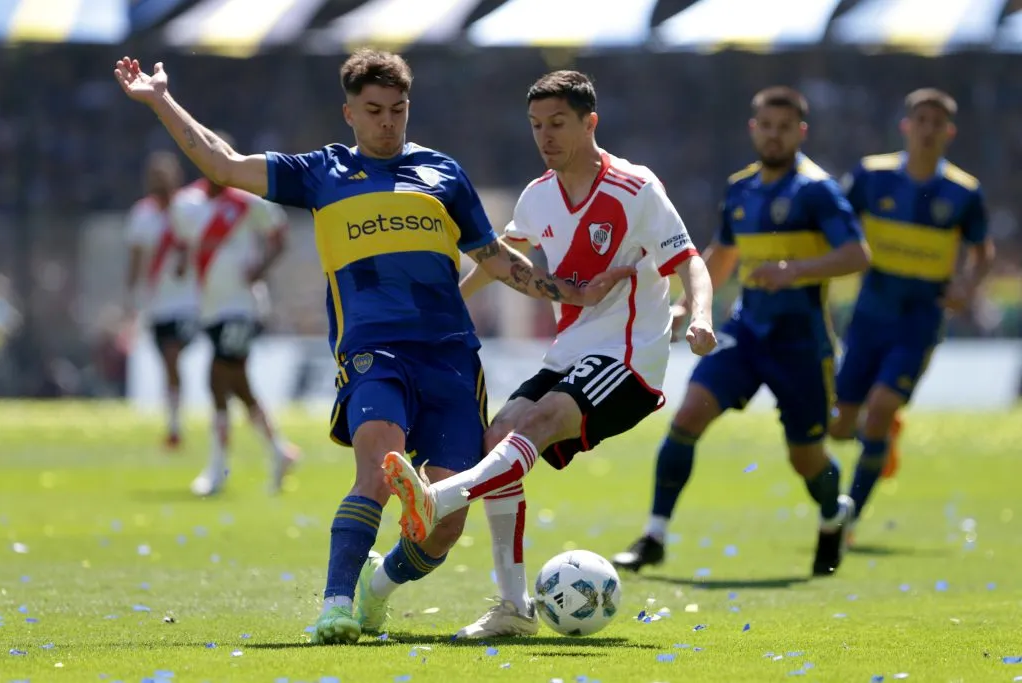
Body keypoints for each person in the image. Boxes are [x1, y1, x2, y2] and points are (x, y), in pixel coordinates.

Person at [114, 49, 630, 644]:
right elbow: (223, 164)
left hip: (450, 357)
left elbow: (498, 261)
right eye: (375, 110)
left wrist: (572, 292)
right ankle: (334, 605)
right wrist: (159, 99)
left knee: (444, 526)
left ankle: (374, 587)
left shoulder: (443, 173)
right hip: (372, 352)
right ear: (350, 114)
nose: (388, 121)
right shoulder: (320, 173)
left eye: (399, 109)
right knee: (380, 472)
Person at [380, 70, 717, 637]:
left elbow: (690, 262)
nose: (545, 137)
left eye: (558, 123)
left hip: (630, 360)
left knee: (532, 422)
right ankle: (513, 607)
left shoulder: (637, 189)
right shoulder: (537, 199)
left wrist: (700, 314)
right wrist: (448, 306)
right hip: (569, 355)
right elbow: (500, 259)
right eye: (536, 126)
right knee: (498, 436)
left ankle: (437, 498)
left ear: (590, 122)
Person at [611, 86, 872, 578]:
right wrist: (689, 303)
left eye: (784, 128)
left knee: (806, 457)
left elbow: (857, 254)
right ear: (754, 129)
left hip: (800, 342)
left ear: (801, 132)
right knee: (686, 417)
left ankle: (834, 513)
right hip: (745, 332)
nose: (774, 136)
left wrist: (793, 270)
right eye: (766, 126)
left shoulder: (816, 190)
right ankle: (655, 535)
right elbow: (723, 255)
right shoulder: (741, 188)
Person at [830, 88, 993, 535]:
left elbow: (982, 250)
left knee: (881, 406)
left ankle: (849, 517)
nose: (927, 129)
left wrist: (968, 286)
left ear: (949, 132)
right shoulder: (871, 175)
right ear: (906, 126)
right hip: (868, 315)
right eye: (920, 120)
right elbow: (838, 221)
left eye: (936, 123)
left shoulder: (963, 192)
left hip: (919, 320)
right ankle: (878, 438)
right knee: (840, 426)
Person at [167, 132, 299, 498]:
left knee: (216, 379)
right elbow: (182, 244)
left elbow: (280, 235)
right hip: (208, 307)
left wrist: (260, 269)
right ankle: (279, 451)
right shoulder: (186, 204)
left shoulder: (245, 200)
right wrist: (181, 266)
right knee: (239, 385)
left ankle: (217, 467)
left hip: (241, 307)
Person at [125, 150, 197, 449]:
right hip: (158, 303)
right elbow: (136, 256)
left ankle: (175, 424)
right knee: (167, 362)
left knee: (172, 355)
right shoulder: (142, 214)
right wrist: (131, 292)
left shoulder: (190, 207)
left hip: (189, 302)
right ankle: (174, 418)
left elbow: (199, 244)